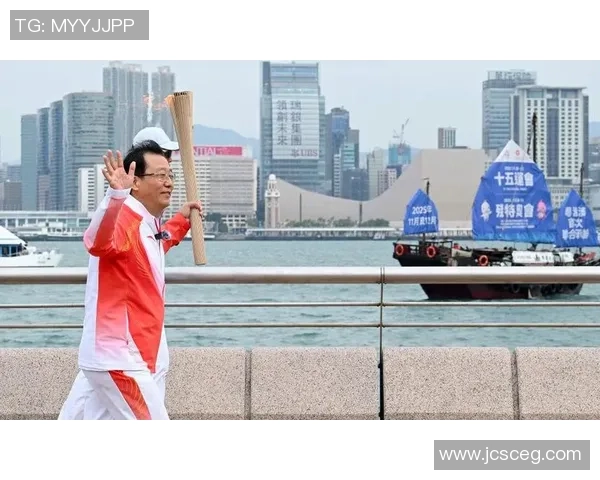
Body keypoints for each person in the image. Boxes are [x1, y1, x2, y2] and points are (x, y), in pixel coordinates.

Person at [59, 140, 201, 420]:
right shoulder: (124, 216)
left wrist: (182, 220)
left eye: (170, 175)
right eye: (160, 176)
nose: (168, 183)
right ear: (135, 181)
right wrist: (116, 196)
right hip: (120, 357)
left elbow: (153, 248)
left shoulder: (146, 222)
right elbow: (96, 242)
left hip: (121, 355)